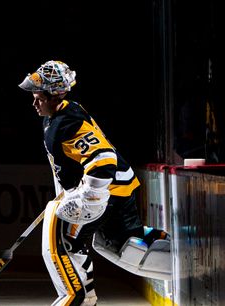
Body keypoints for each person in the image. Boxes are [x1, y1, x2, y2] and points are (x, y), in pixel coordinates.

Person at [18, 60, 170, 306]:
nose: (34, 103)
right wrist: (67, 193)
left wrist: (90, 197)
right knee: (125, 246)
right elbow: (66, 166)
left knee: (67, 242)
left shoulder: (66, 123)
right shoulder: (56, 117)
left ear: (55, 95)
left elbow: (104, 159)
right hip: (119, 186)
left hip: (110, 190)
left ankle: (79, 298)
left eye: (39, 98)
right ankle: (181, 260)